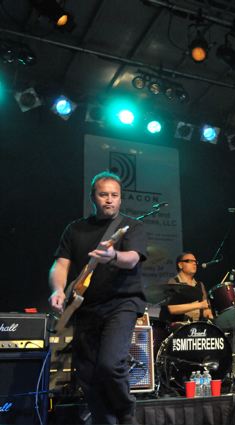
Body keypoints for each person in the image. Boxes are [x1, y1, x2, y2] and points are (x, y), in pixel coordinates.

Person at [49, 171, 147, 425]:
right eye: (104, 194)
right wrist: (58, 289)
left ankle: (126, 411)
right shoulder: (75, 229)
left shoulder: (131, 227)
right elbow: (60, 265)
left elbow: (133, 259)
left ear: (120, 199)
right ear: (93, 197)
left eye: (115, 195)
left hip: (121, 303)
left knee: (110, 364)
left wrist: (113, 256)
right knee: (88, 374)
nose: (109, 200)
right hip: (85, 307)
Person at [159, 251, 213, 323]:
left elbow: (205, 308)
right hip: (177, 327)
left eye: (195, 261)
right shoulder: (172, 283)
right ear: (180, 265)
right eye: (189, 261)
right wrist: (199, 305)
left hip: (197, 327)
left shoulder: (200, 285)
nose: (194, 263)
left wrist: (209, 314)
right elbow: (172, 308)